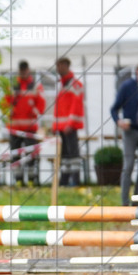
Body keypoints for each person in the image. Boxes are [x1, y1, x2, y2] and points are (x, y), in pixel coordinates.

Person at [111, 62, 138, 205]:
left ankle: (136, 203)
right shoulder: (127, 86)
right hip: (130, 131)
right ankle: (124, 202)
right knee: (128, 166)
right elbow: (114, 109)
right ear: (137, 71)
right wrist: (119, 121)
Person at [4, 60, 45, 185]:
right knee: (15, 156)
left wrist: (35, 110)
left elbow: (41, 104)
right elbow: (4, 103)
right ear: (19, 71)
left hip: (30, 128)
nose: (23, 73)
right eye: (21, 70)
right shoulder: (12, 86)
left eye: (25, 70)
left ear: (28, 70)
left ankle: (32, 180)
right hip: (15, 128)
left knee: (31, 155)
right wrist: (8, 111)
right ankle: (18, 180)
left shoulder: (35, 86)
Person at [53, 57, 85, 187]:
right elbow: (59, 108)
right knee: (65, 155)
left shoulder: (75, 85)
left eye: (60, 66)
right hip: (61, 127)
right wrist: (55, 125)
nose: (58, 69)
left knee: (73, 154)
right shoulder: (61, 84)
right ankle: (64, 181)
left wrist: (70, 124)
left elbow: (76, 106)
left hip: (70, 127)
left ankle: (75, 180)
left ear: (66, 66)